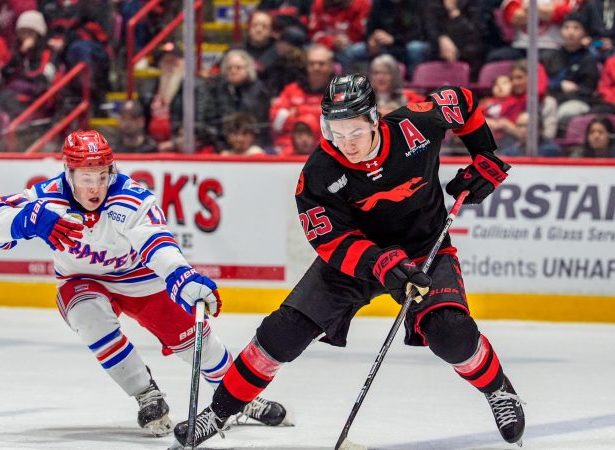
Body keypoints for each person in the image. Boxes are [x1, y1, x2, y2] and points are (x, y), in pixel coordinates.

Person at [171, 74, 526, 447]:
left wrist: (484, 153)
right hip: (358, 260)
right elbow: (330, 240)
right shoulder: (320, 172)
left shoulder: (415, 126)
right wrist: (379, 262)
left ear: (375, 119)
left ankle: (499, 390)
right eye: (335, 133)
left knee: (450, 332)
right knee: (282, 332)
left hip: (424, 250)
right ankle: (220, 411)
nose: (346, 144)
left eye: (354, 133)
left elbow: (463, 101)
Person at [0, 130, 287, 435]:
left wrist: (180, 274)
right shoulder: (47, 198)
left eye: (102, 175)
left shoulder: (130, 198)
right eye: (86, 178)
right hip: (81, 279)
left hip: (141, 279)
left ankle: (239, 395)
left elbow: (156, 242)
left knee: (196, 343)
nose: (96, 187)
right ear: (68, 174)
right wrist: (25, 220)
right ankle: (145, 393)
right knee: (89, 318)